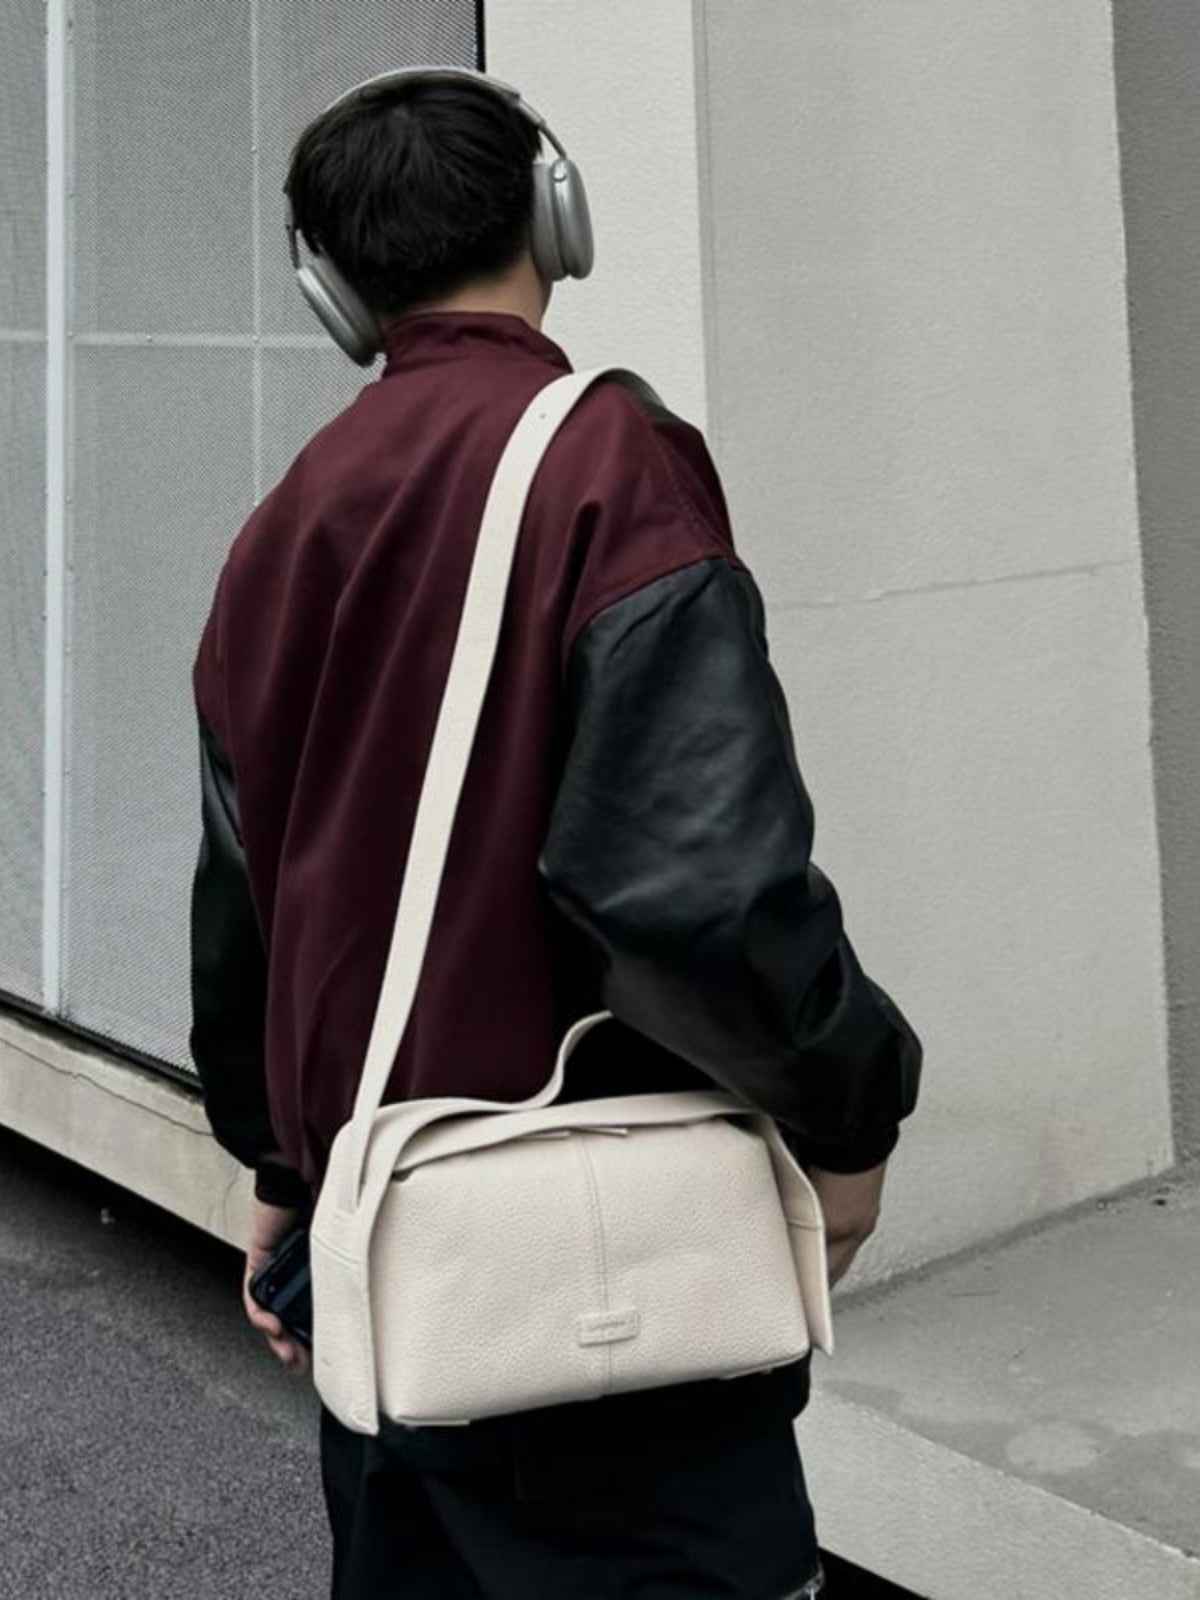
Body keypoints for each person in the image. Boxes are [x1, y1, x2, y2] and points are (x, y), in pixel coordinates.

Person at [189, 66, 921, 1600]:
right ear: (554, 217)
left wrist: (282, 1166)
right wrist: (850, 1110)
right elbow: (695, 888)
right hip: (602, 1298)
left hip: (391, 1282)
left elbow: (248, 895)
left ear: (333, 292)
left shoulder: (280, 525)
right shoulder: (608, 466)